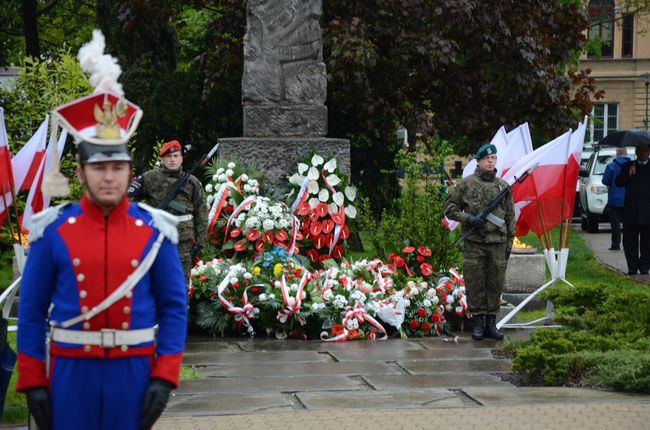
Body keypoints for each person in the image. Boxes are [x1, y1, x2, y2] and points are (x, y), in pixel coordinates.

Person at [16, 93, 188, 429]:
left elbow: (173, 308)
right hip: (70, 373)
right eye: (98, 167)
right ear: (80, 173)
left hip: (133, 372)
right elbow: (32, 312)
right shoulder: (51, 230)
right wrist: (33, 378)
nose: (109, 177)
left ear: (130, 172)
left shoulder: (156, 231)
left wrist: (165, 374)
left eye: (117, 167)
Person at [444, 143, 515, 341]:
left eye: (493, 158)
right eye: (487, 158)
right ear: (479, 160)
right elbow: (449, 208)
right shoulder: (466, 184)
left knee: (495, 283)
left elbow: (510, 217)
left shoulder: (503, 186)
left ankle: (491, 324)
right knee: (475, 283)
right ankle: (478, 323)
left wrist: (509, 244)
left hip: (497, 243)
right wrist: (468, 219)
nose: (490, 161)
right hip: (474, 243)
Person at [128, 140, 208, 279]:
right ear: (162, 159)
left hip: (183, 241)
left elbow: (201, 211)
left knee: (180, 281)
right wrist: (141, 225)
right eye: (168, 157)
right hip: (156, 237)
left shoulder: (192, 182)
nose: (172, 160)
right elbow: (129, 201)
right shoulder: (149, 178)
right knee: (156, 280)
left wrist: (200, 243)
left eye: (176, 156)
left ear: (181, 158)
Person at [615, 143, 650, 275]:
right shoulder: (628, 166)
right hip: (632, 210)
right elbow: (618, 182)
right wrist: (628, 175)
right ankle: (632, 266)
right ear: (636, 151)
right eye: (640, 150)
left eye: (645, 150)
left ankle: (645, 266)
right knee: (630, 241)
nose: (643, 153)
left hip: (647, 211)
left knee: (647, 242)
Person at [601, 148, 630, 251]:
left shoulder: (611, 166)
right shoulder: (632, 166)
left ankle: (615, 244)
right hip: (629, 199)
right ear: (626, 153)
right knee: (628, 224)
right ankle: (628, 245)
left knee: (615, 223)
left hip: (614, 199)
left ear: (617, 154)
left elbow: (605, 181)